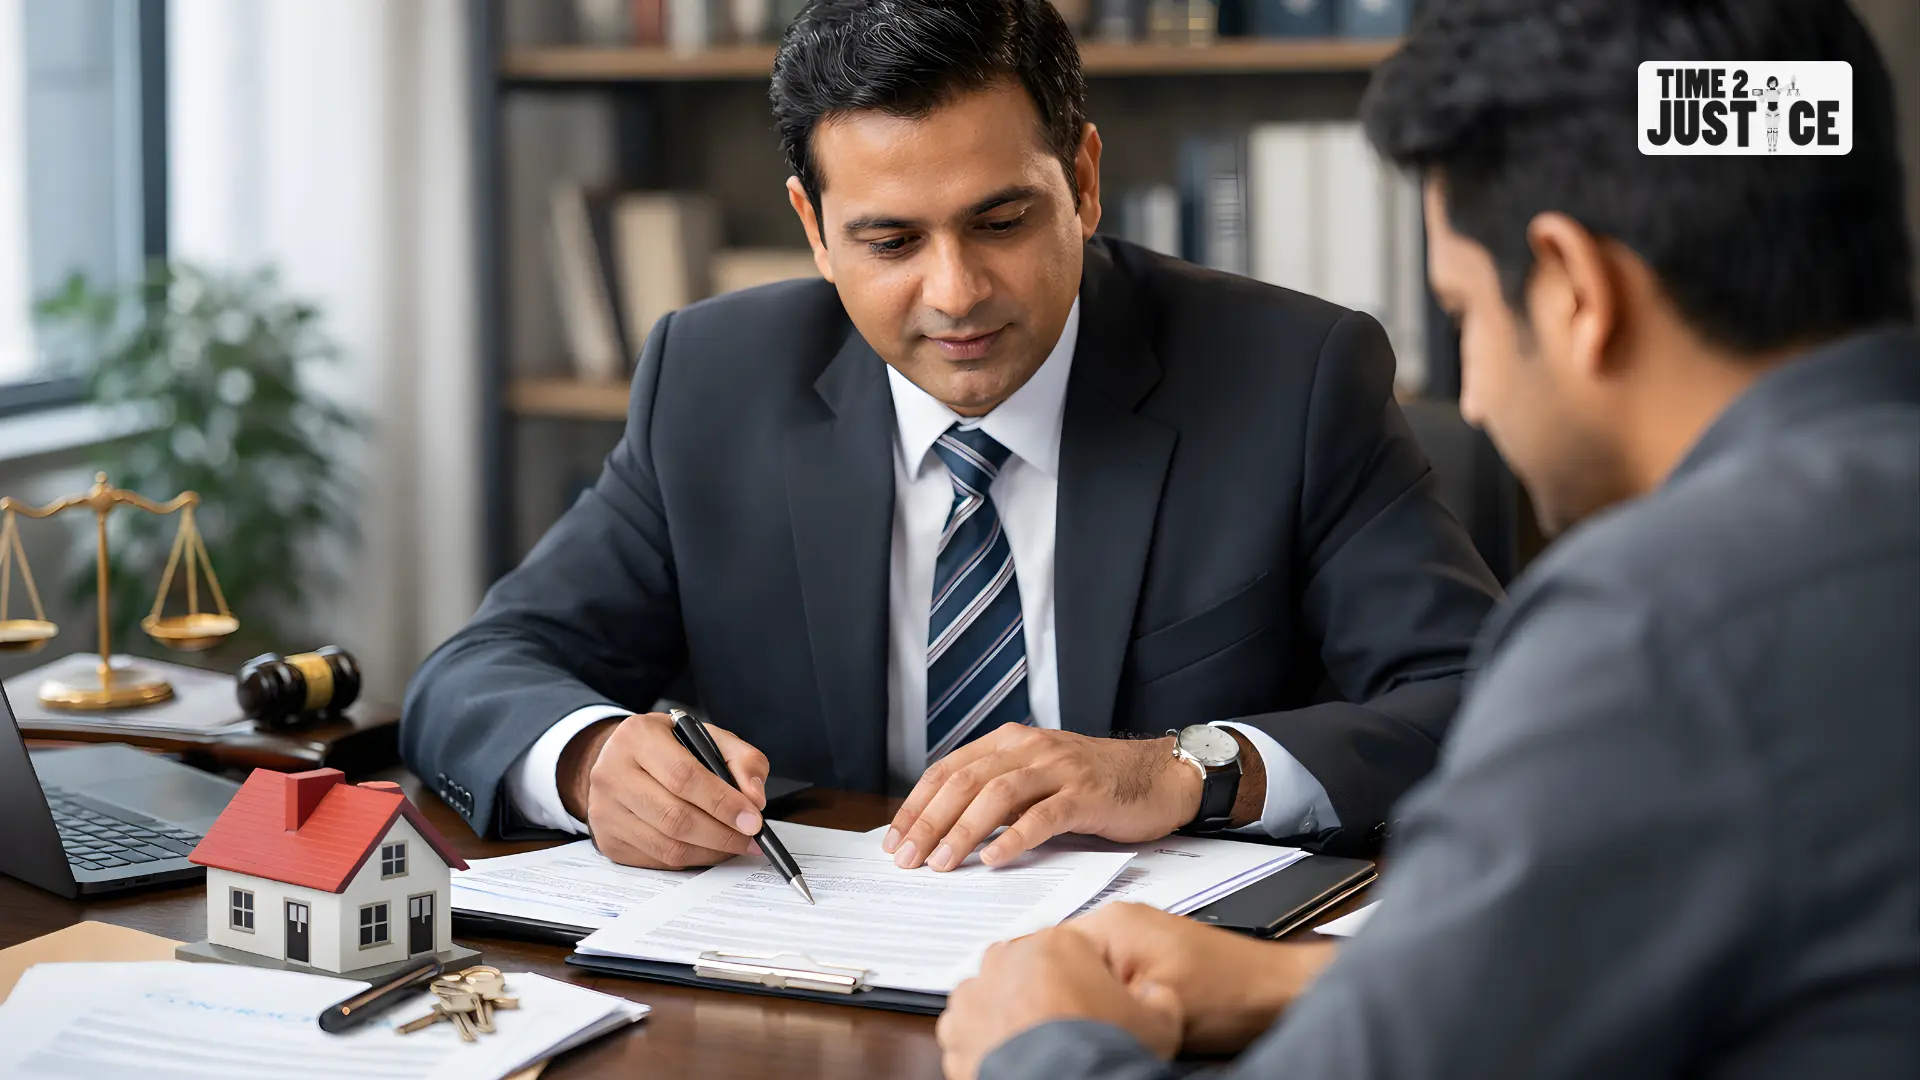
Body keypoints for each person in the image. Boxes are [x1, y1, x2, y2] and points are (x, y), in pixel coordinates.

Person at [936, 0, 1919, 1077]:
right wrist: (1312, 983)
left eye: (1463, 313)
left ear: (1575, 287)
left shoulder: (1655, 626)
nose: (1480, 399)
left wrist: (1044, 1048)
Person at [401, 0, 1500, 871]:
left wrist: (1183, 771)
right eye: (890, 240)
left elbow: (1482, 702)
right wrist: (591, 759)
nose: (957, 292)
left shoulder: (1288, 377)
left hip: (1157, 995)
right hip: (817, 991)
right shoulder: (712, 383)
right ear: (813, 232)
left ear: (1082, 180)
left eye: (1002, 220)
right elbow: (477, 673)